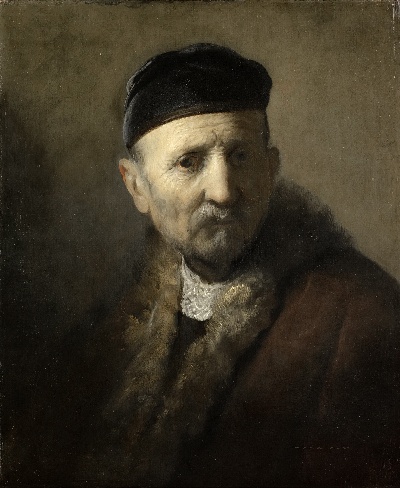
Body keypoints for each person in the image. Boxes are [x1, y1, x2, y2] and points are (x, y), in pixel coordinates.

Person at [6, 43, 400, 487]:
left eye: (240, 157)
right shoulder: (110, 331)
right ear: (137, 187)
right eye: (189, 163)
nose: (223, 192)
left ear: (271, 168)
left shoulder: (364, 316)